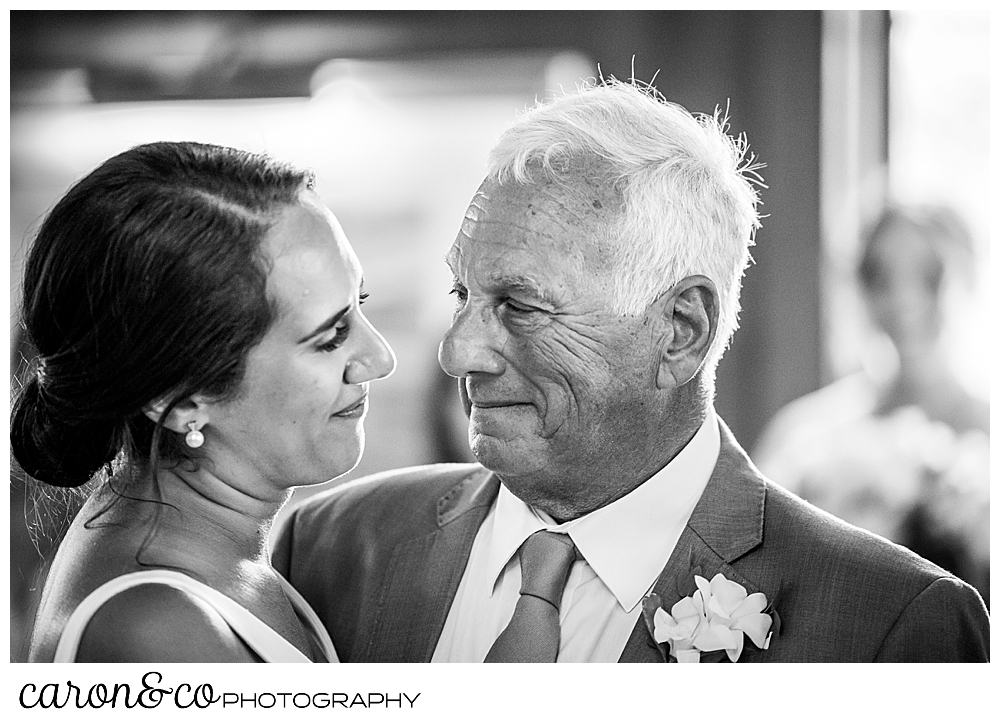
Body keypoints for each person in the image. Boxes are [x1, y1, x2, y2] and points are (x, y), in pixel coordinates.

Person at [272, 81, 989, 662]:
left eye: (520, 305)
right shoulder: (332, 549)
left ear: (681, 330)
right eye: (463, 295)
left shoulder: (890, 627)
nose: (458, 352)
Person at [10, 141, 396, 663]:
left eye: (359, 303)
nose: (379, 357)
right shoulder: (157, 629)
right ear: (181, 398)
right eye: (330, 336)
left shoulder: (201, 548)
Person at [754, 205, 990, 606]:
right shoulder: (807, 432)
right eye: (880, 278)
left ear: (966, 277)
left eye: (929, 277)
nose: (904, 299)